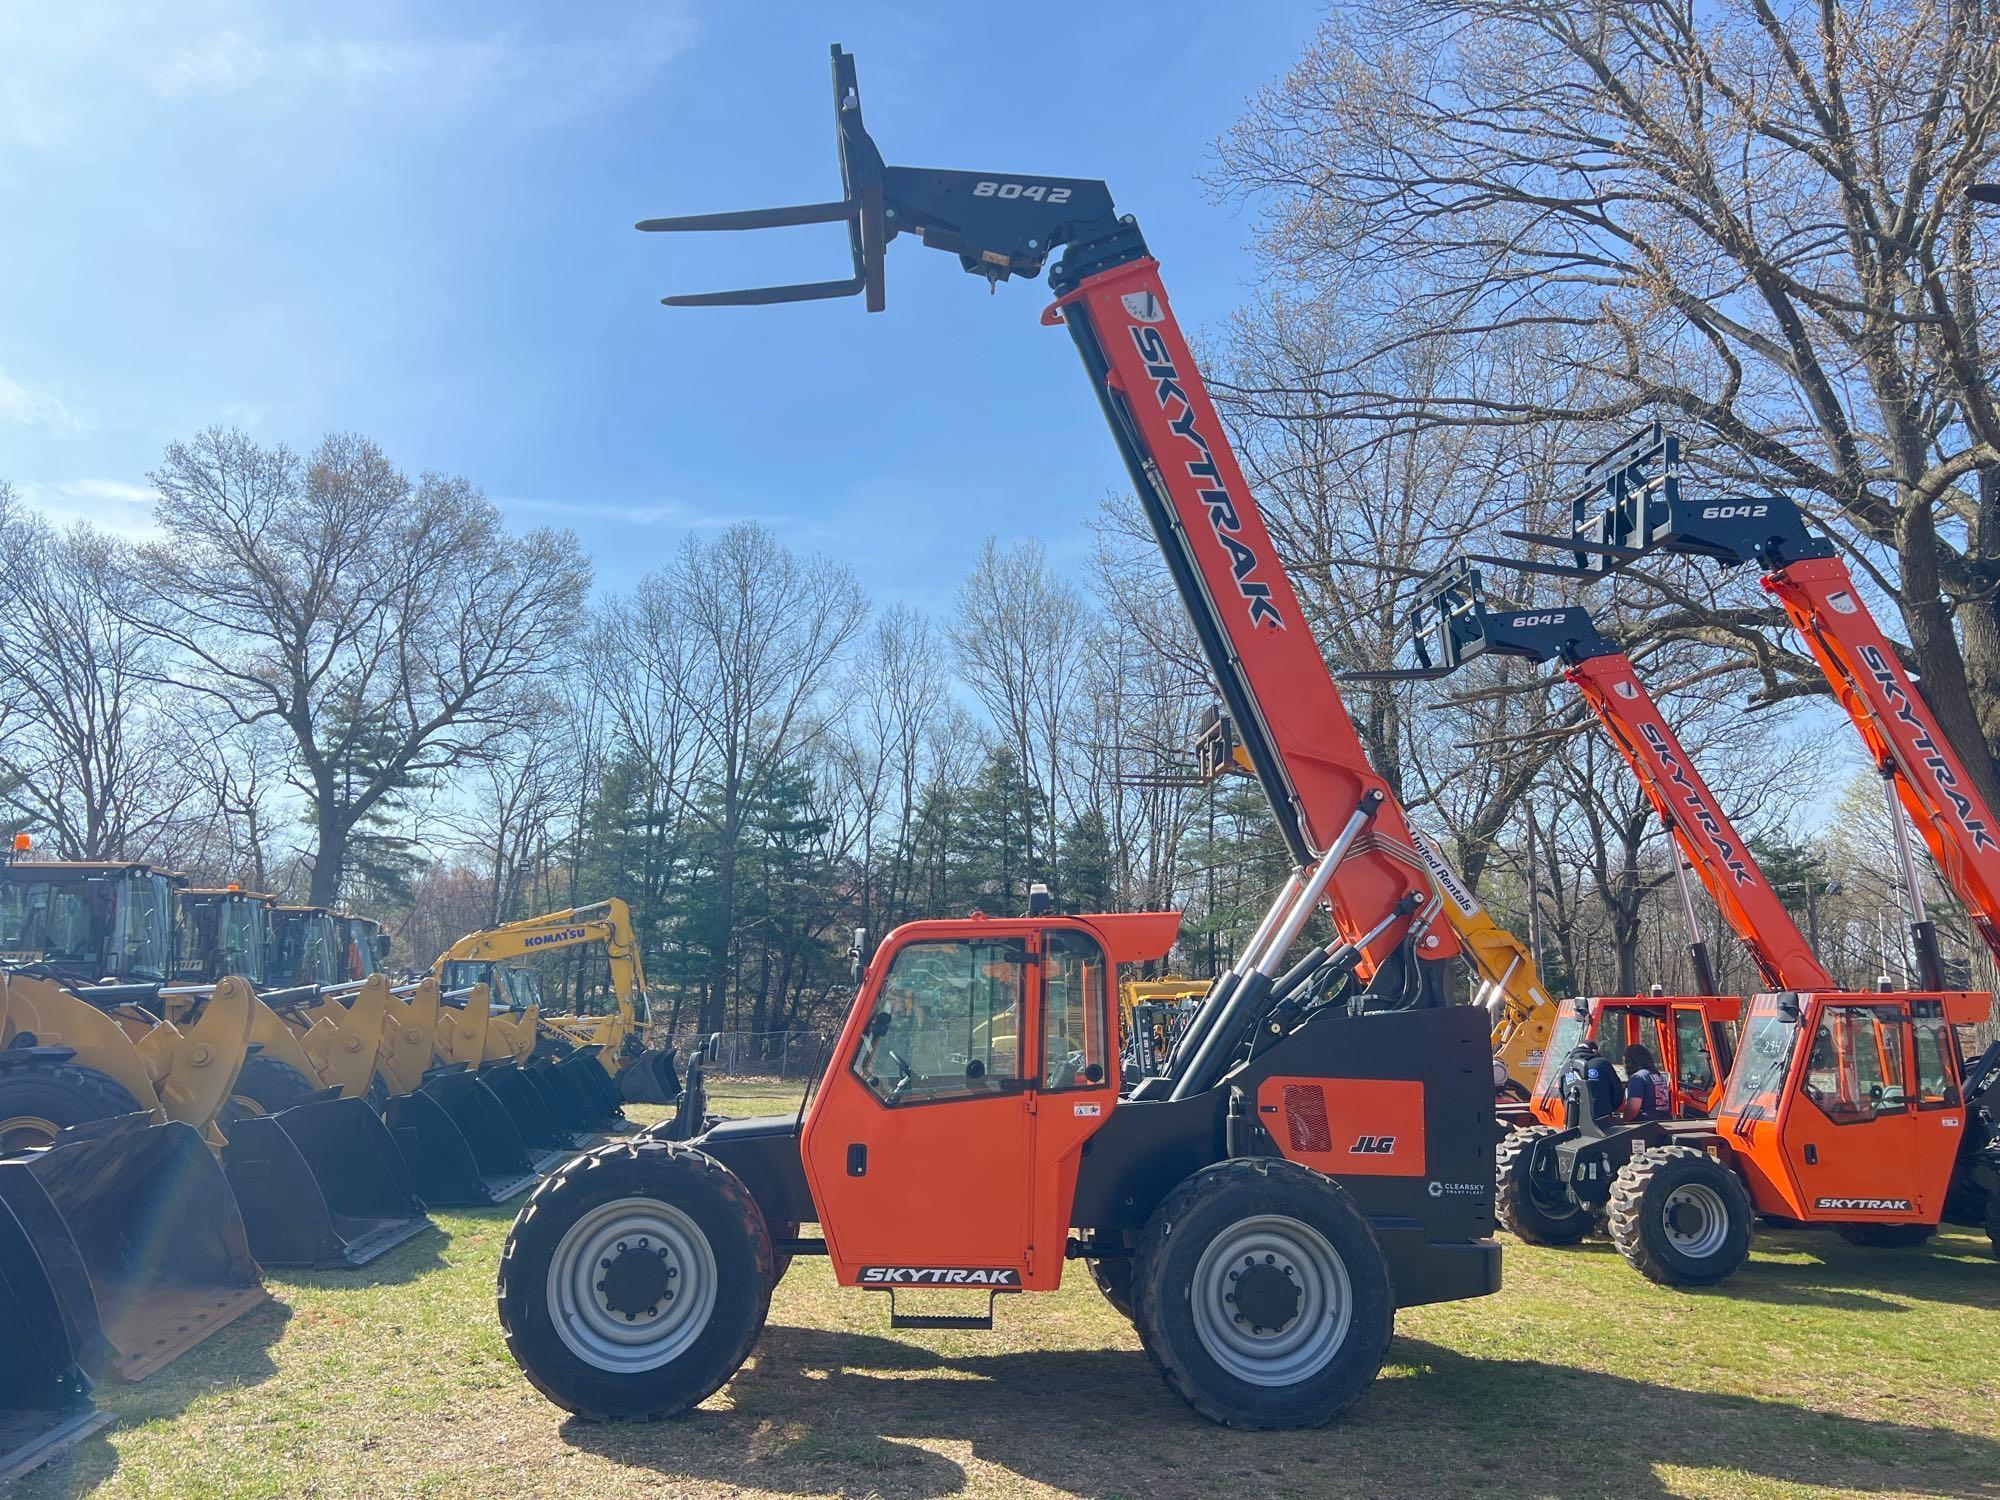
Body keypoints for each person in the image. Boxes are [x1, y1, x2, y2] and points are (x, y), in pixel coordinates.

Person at [1620, 1043, 1671, 1120]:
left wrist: (1624, 1121)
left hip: (1645, 1123)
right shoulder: (1659, 1075)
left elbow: (1634, 1107)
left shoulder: (1637, 1078)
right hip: (1665, 1120)